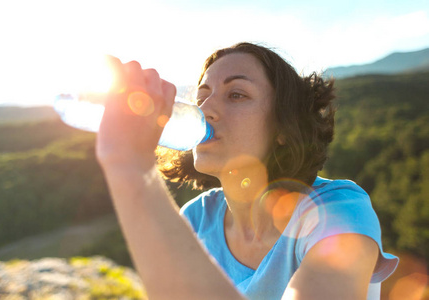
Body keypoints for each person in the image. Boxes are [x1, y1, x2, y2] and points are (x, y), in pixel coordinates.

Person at [96, 42, 398, 300]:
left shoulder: (338, 210)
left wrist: (132, 167)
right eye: (202, 96)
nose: (206, 109)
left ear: (283, 126)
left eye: (236, 94)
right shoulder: (196, 220)